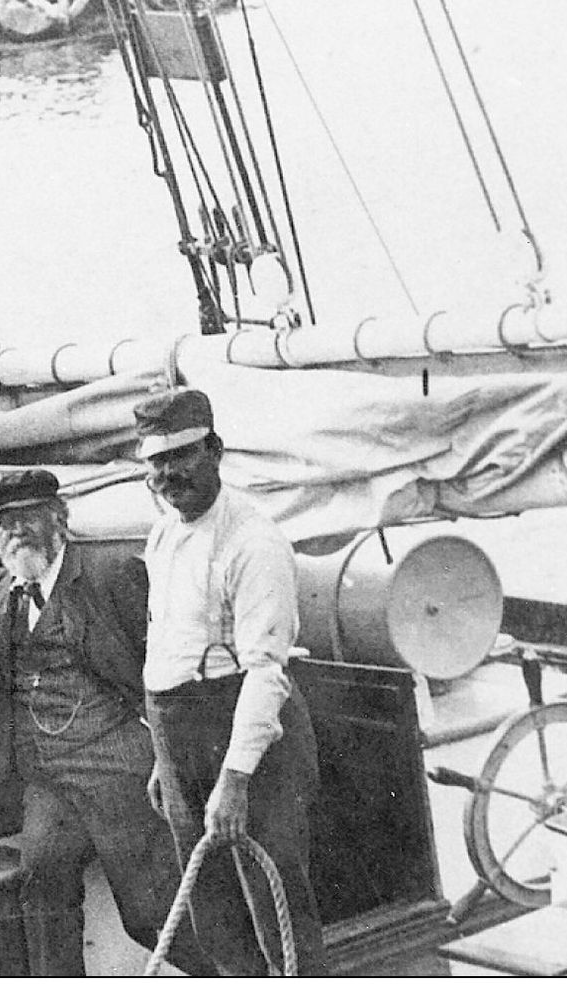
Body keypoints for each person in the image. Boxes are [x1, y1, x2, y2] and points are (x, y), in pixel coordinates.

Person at [0, 469, 213, 976]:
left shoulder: (111, 576)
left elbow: (171, 669)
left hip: (119, 774)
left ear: (60, 519)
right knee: (41, 889)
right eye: (5, 523)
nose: (17, 532)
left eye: (28, 518)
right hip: (46, 781)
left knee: (150, 916)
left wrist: (171, 757)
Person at [136, 387, 325, 975]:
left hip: (246, 738)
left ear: (214, 450)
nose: (170, 474)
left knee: (277, 905)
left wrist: (235, 780)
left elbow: (268, 671)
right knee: (210, 907)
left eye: (183, 456)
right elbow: (169, 645)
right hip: (181, 739)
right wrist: (162, 759)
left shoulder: (253, 541)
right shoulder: (165, 532)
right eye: (157, 462)